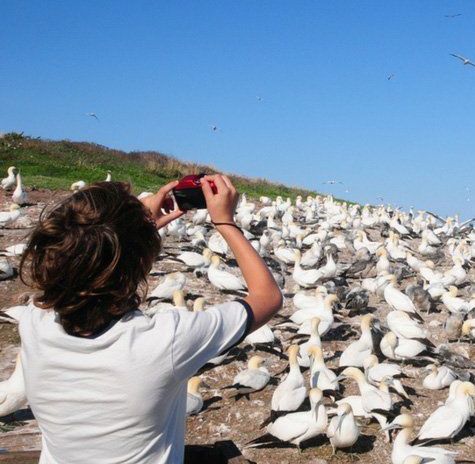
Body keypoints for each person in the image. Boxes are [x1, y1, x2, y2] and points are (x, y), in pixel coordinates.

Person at [17, 175, 283, 464]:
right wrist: (225, 223)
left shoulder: (34, 320)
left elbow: (87, 272)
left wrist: (134, 234)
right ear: (143, 259)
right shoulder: (165, 340)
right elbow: (267, 297)